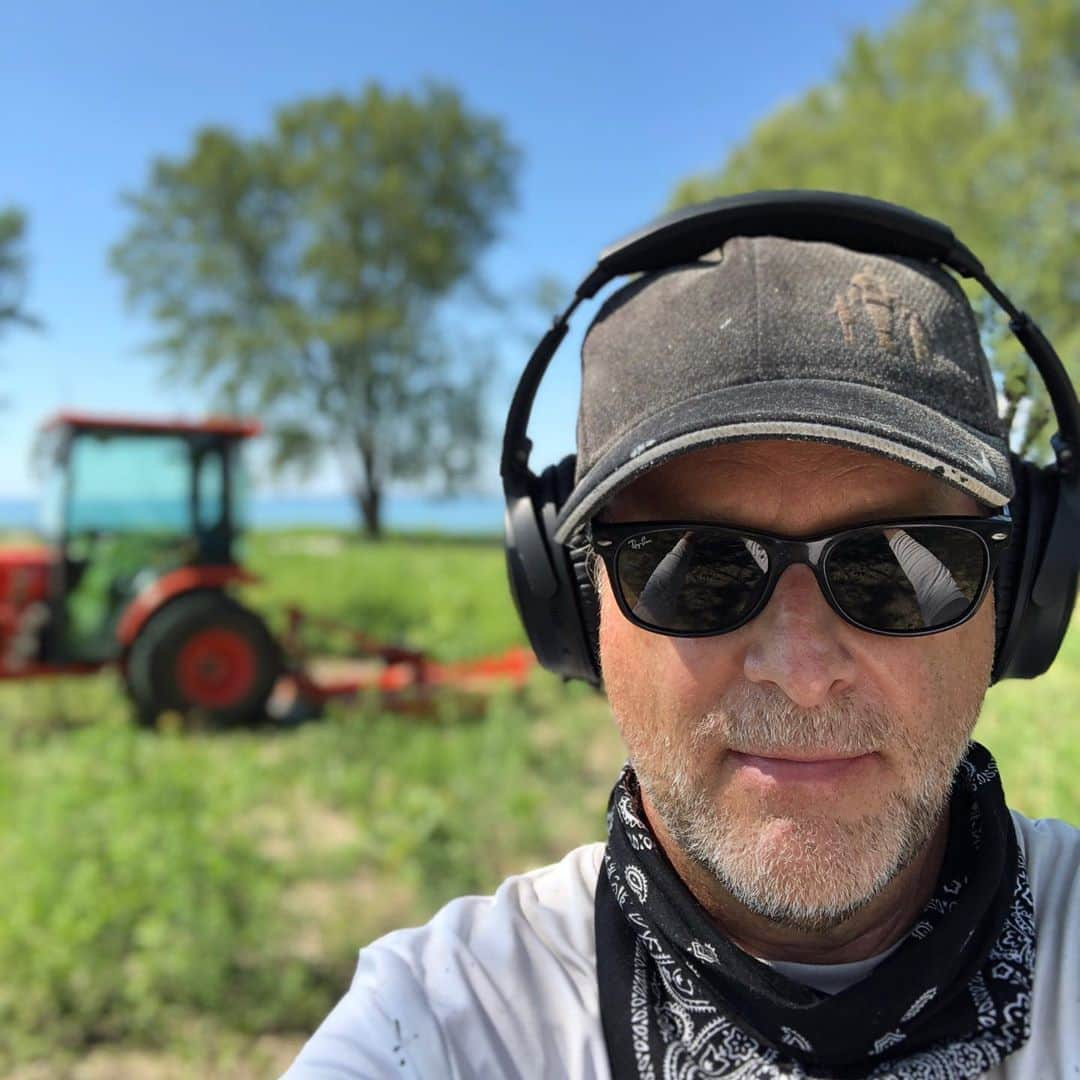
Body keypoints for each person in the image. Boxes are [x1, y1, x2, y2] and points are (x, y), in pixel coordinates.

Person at [282, 201, 1079, 1078]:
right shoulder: (441, 1022)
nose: (801, 673)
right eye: (697, 569)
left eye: (897, 567)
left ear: (1020, 598)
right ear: (575, 609)